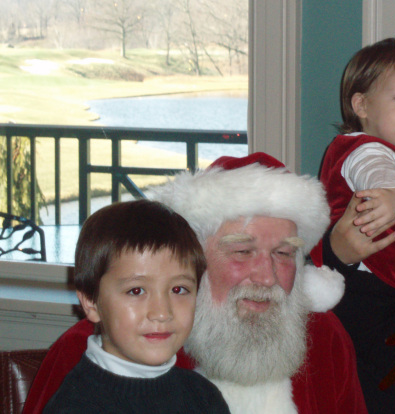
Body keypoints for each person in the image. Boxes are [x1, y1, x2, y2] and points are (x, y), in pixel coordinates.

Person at [24, 152, 368, 414]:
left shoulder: (324, 339)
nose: (267, 276)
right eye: (242, 250)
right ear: (194, 260)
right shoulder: (90, 348)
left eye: (283, 253)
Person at [311, 40, 395, 413]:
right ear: (361, 105)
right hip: (385, 338)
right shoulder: (379, 152)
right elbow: (377, 173)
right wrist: (337, 252)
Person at [43, 200, 231, 413]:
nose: (161, 313)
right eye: (136, 291)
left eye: (178, 290)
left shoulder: (203, 396)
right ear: (91, 302)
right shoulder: (75, 406)